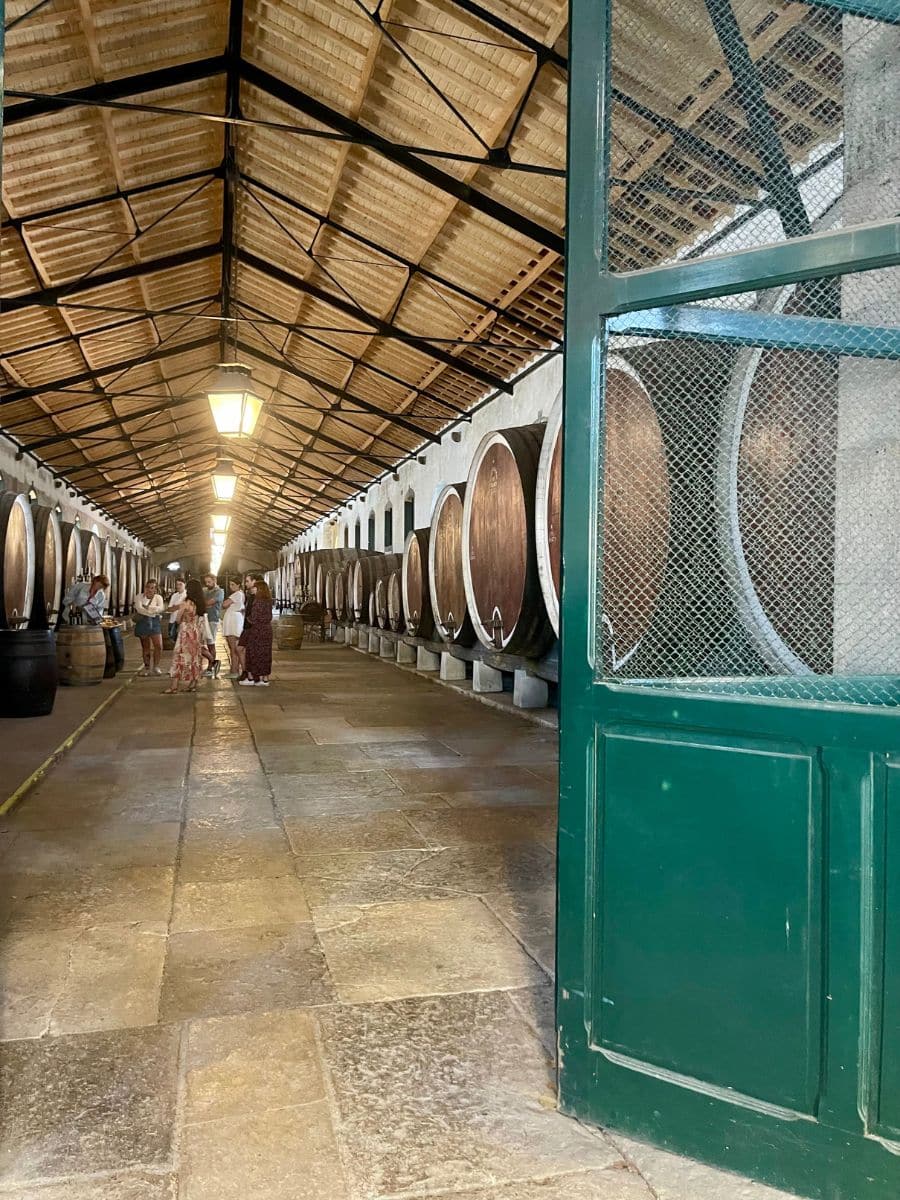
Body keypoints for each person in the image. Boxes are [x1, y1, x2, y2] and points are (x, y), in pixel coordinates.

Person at [164, 590, 205, 694]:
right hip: (195, 631)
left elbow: (177, 619)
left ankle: (174, 686)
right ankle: (193, 684)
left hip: (185, 631)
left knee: (179, 657)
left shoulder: (185, 603)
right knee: (194, 657)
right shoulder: (199, 604)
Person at [240, 577, 273, 686]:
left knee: (253, 653)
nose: (253, 589)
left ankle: (252, 678)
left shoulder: (258, 602)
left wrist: (247, 619)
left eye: (255, 588)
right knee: (265, 654)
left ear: (260, 589)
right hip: (267, 630)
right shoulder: (268, 601)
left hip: (257, 630)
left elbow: (254, 617)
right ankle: (265, 679)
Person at [133, 578, 165, 676]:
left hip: (154, 623)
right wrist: (152, 611)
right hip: (142, 622)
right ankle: (147, 668)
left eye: (152, 588)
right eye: (147, 587)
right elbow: (139, 609)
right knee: (145, 647)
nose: (149, 590)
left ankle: (156, 667)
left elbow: (161, 608)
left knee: (158, 646)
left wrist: (148, 608)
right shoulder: (139, 596)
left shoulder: (158, 597)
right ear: (145, 587)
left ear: (155, 589)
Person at [221, 578, 245, 678]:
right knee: (234, 646)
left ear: (238, 585)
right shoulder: (240, 594)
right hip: (234, 619)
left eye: (233, 584)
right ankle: (234, 669)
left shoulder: (237, 594)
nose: (231, 587)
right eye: (230, 584)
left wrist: (226, 601)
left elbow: (224, 604)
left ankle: (234, 670)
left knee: (233, 647)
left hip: (233, 621)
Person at [202, 573, 224, 677]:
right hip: (203, 619)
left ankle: (211, 666)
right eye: (206, 582)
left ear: (214, 580)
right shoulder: (205, 590)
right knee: (202, 643)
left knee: (211, 643)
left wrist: (201, 603)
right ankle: (212, 663)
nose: (207, 584)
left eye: (209, 582)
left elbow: (210, 602)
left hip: (212, 619)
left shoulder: (219, 592)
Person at [236, 572, 256, 681]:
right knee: (239, 649)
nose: (245, 583)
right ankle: (245, 671)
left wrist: (250, 619)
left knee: (245, 650)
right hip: (246, 627)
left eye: (248, 581)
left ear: (254, 582)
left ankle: (249, 673)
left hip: (251, 628)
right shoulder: (250, 595)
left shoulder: (256, 597)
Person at [166, 577, 186, 643]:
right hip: (172, 620)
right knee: (172, 639)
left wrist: (175, 607)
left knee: (181, 641)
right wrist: (180, 606)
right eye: (177, 584)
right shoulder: (174, 595)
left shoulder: (187, 595)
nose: (178, 586)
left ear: (184, 584)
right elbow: (169, 609)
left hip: (182, 621)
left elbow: (186, 608)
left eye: (180, 584)